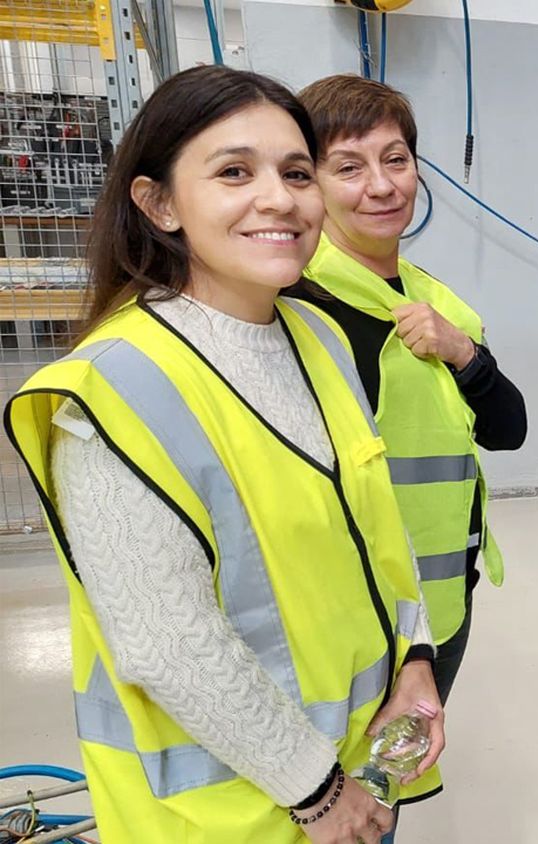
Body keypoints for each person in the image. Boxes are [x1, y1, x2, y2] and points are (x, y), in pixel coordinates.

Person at [4, 66, 444, 843]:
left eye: (296, 172)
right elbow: (170, 646)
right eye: (234, 172)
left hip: (358, 769)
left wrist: (415, 659)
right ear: (160, 203)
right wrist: (316, 793)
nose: (279, 198)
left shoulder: (318, 338)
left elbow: (376, 526)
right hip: (232, 812)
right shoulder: (113, 391)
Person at [290, 75, 527, 703]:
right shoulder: (298, 308)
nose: (381, 185)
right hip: (355, 619)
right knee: (356, 795)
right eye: (348, 167)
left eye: (396, 159)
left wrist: (463, 353)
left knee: (392, 785)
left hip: (445, 597)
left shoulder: (439, 303)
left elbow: (509, 429)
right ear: (309, 182)